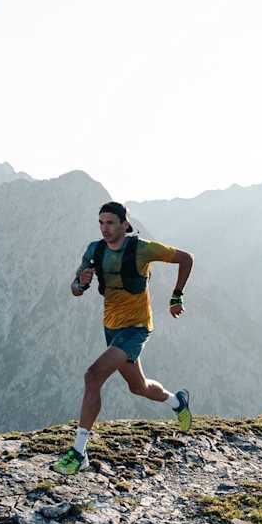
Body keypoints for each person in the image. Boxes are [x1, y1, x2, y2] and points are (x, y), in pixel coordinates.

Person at [51, 201, 194, 475]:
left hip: (136, 328)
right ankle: (178, 402)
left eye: (110, 223)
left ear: (124, 224)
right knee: (139, 387)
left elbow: (186, 259)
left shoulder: (143, 249)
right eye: (101, 222)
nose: (104, 228)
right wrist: (81, 282)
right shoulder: (94, 250)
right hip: (112, 328)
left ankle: (79, 452)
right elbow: (75, 290)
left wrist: (177, 296)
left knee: (93, 375)